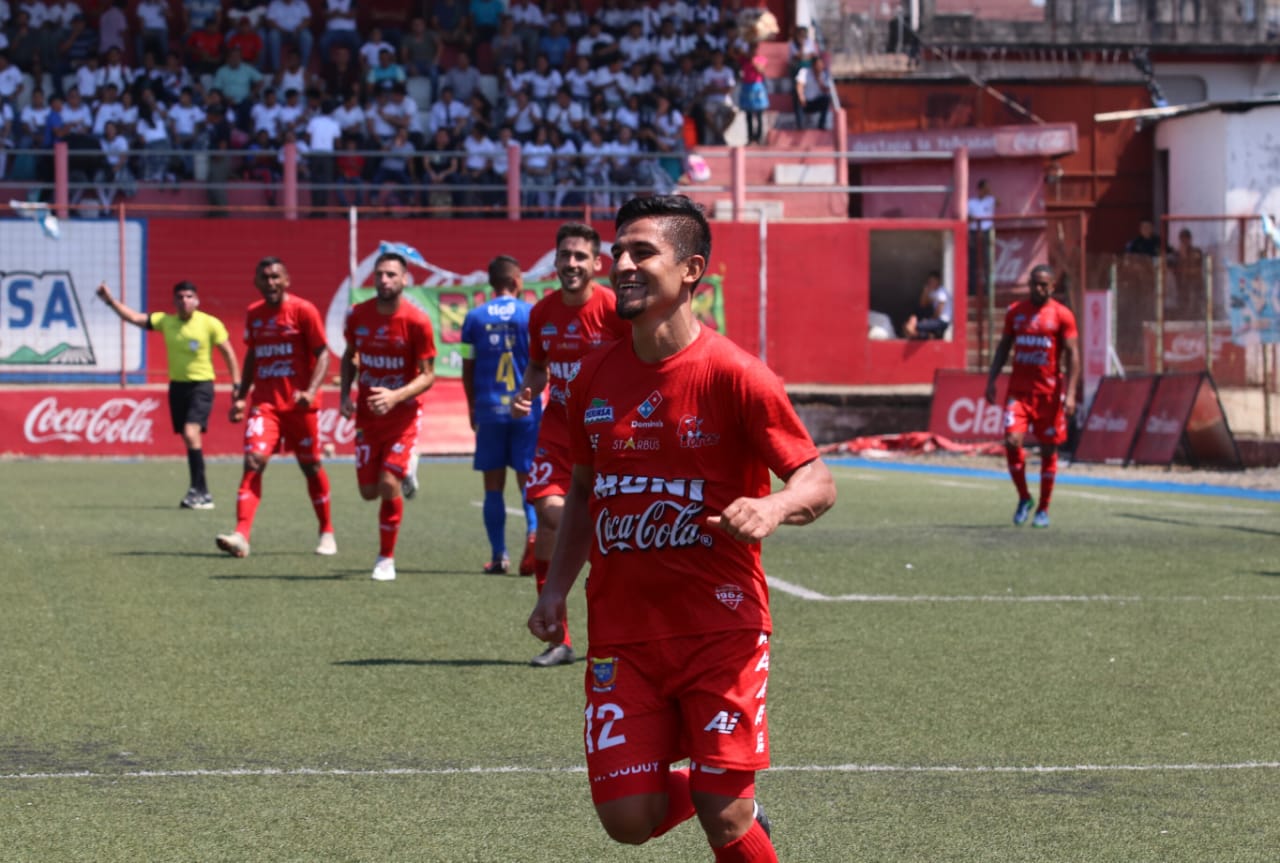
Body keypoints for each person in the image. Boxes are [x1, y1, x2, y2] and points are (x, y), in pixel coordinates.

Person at [527, 194, 837, 861]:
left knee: (724, 813)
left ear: (692, 269)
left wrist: (774, 508)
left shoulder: (736, 374)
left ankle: (726, 798)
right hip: (623, 633)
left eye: (643, 252)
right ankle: (718, 791)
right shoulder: (594, 379)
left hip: (719, 627)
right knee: (626, 819)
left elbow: (819, 480)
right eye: (620, 251)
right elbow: (582, 490)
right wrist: (553, 590)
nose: (623, 264)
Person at [511, 223, 629, 668]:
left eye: (581, 256)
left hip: (607, 434)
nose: (572, 264)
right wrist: (526, 392)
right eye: (566, 256)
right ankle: (558, 638)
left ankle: (615, 632)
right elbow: (538, 369)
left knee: (562, 527)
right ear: (555, 262)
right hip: (557, 431)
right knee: (548, 513)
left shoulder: (615, 310)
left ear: (597, 263)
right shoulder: (540, 313)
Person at [215, 257, 336, 559]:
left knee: (310, 467)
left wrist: (310, 391)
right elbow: (253, 356)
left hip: (300, 406)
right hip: (265, 405)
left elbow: (323, 355)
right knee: (254, 461)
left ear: (286, 280)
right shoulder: (254, 314)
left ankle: (327, 531)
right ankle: (241, 534)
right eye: (264, 278)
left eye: (275, 277)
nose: (270, 283)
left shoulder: (304, 311)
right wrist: (242, 396)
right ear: (256, 282)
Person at [96, 280, 240, 509]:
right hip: (177, 387)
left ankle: (199, 490)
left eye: (189, 297)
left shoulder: (210, 324)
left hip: (201, 385)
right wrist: (109, 301)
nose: (185, 301)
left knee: (191, 431)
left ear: (197, 300)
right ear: (174, 301)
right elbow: (133, 318)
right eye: (180, 297)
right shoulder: (166, 321)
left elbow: (229, 354)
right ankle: (202, 493)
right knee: (188, 436)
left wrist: (237, 385)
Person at [339, 251, 436, 581]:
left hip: (402, 418)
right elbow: (349, 356)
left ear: (405, 280)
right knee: (368, 492)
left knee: (387, 484)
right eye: (379, 274)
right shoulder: (358, 316)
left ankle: (385, 558)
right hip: (367, 417)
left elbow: (427, 375)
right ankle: (407, 466)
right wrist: (344, 396)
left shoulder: (417, 321)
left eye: (391, 275)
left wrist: (395, 396)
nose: (384, 280)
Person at [983, 264, 1080, 529]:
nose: (1038, 289)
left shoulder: (1062, 316)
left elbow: (1073, 355)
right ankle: (1024, 497)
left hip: (1049, 395)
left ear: (1052, 287)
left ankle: (1044, 508)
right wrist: (991, 380)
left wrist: (1070, 394)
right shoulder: (1015, 312)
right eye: (1034, 283)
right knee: (1012, 441)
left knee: (1049, 448)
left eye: (1043, 284)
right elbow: (1004, 346)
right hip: (1019, 393)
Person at [461, 255, 540, 575]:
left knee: (492, 487)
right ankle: (534, 535)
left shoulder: (474, 318)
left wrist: (471, 405)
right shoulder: (531, 314)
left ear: (492, 283)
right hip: (525, 408)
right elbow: (541, 361)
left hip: (490, 408)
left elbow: (467, 366)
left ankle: (499, 556)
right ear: (517, 281)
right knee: (529, 483)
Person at [967, 178, 996, 296]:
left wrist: (990, 192)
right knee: (974, 262)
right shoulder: (970, 202)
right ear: (979, 189)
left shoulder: (991, 200)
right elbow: (966, 217)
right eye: (984, 188)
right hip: (974, 232)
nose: (986, 190)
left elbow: (999, 202)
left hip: (987, 232)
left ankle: (988, 290)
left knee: (988, 262)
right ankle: (973, 289)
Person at [901, 271, 950, 339]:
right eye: (930, 281)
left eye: (933, 281)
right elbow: (922, 304)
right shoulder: (933, 292)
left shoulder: (942, 292)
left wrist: (929, 320)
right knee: (908, 326)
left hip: (942, 322)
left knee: (915, 326)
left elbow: (938, 312)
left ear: (938, 281)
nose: (931, 283)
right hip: (936, 320)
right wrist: (925, 291)